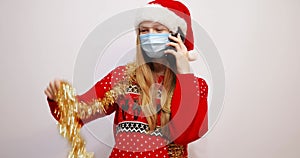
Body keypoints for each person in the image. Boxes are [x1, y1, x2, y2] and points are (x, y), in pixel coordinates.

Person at [44, 0, 208, 157]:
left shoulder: (195, 86)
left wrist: (184, 73)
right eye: (144, 30)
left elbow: (184, 135)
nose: (150, 36)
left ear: (176, 37)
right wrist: (59, 99)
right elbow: (78, 114)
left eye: (159, 30)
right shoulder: (123, 78)